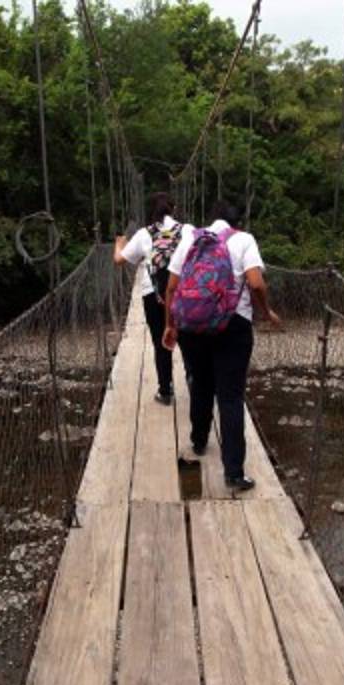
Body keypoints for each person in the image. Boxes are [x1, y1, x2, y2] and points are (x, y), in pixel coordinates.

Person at [162, 200, 280, 491]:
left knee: (200, 383)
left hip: (193, 325)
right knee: (230, 397)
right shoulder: (243, 240)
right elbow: (256, 283)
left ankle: (199, 441)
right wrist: (266, 311)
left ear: (211, 218)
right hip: (233, 325)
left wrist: (170, 324)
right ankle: (234, 474)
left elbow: (171, 287)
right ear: (236, 222)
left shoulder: (191, 237)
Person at [114, 192, 195, 405]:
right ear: (174, 209)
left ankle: (165, 391)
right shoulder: (188, 230)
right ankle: (194, 380)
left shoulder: (143, 233)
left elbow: (119, 261)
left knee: (161, 342)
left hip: (154, 295)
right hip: (182, 294)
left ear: (152, 212)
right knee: (188, 339)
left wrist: (119, 244)